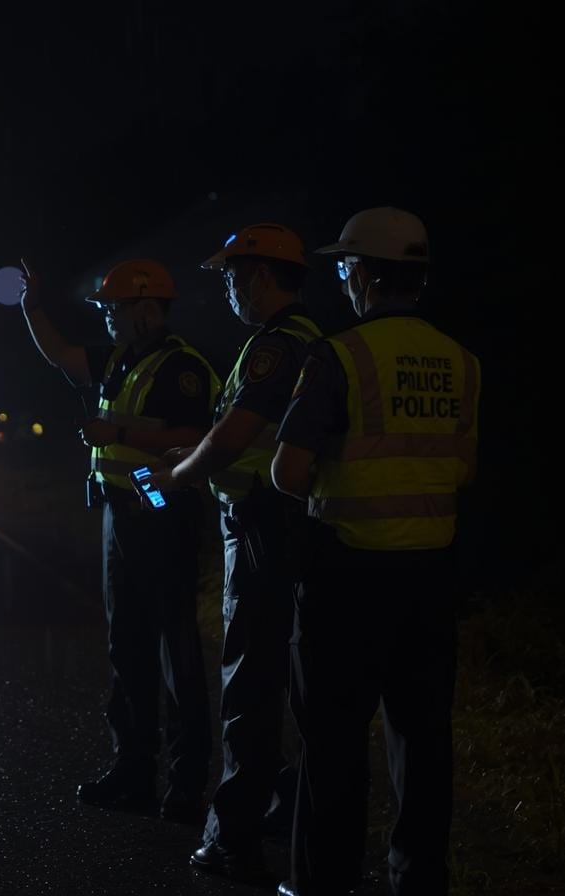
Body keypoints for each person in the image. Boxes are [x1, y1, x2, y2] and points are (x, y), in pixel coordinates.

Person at [270, 208, 480, 896]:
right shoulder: (462, 361)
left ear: (362, 273)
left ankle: (324, 881)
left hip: (348, 576)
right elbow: (462, 469)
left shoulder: (338, 356)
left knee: (333, 741)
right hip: (431, 578)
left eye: (342, 268)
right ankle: (418, 882)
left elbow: (288, 472)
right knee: (422, 740)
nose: (341, 280)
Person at [147, 224, 322, 882]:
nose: (226, 288)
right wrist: (191, 456)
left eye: (231, 277)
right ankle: (284, 809)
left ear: (260, 276)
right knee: (290, 676)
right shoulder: (306, 338)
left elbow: (233, 437)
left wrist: (178, 474)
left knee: (249, 677)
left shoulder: (276, 345)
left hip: (261, 526)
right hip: (289, 524)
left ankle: (233, 835)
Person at [19, 257, 219, 822]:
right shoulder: (119, 359)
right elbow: (60, 355)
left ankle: (186, 783)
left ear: (147, 310)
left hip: (163, 515)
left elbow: (200, 434)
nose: (108, 317)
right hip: (120, 514)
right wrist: (32, 307)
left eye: (115, 308)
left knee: (175, 648)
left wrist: (119, 432)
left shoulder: (183, 366)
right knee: (127, 644)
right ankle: (133, 770)